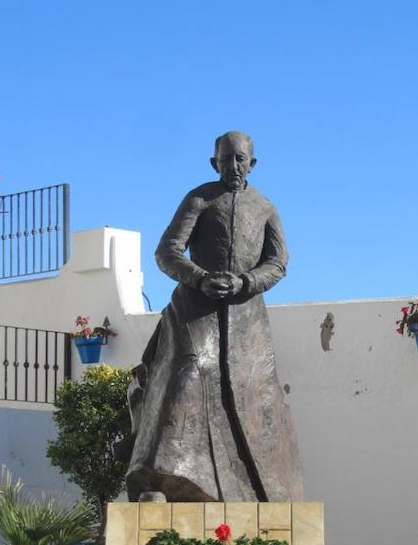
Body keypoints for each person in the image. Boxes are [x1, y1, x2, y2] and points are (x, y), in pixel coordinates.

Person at [126, 131, 304, 503]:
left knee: (254, 395)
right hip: (195, 309)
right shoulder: (199, 199)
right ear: (214, 163)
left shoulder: (265, 207)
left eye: (240, 159)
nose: (233, 166)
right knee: (187, 373)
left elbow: (278, 262)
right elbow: (167, 251)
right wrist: (200, 278)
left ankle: (260, 492)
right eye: (226, 160)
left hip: (246, 319)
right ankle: (162, 477)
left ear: (252, 164)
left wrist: (246, 282)